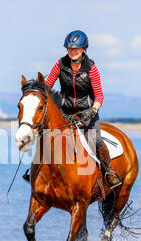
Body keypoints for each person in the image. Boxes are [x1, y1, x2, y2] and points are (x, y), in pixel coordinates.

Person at [43, 30, 121, 188]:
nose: (73, 51)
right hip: (64, 111)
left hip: (87, 112)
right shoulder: (60, 64)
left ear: (84, 49)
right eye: (70, 48)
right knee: (46, 136)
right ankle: (38, 172)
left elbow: (99, 96)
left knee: (96, 140)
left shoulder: (91, 68)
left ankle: (109, 172)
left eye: (76, 48)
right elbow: (47, 85)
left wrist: (92, 110)